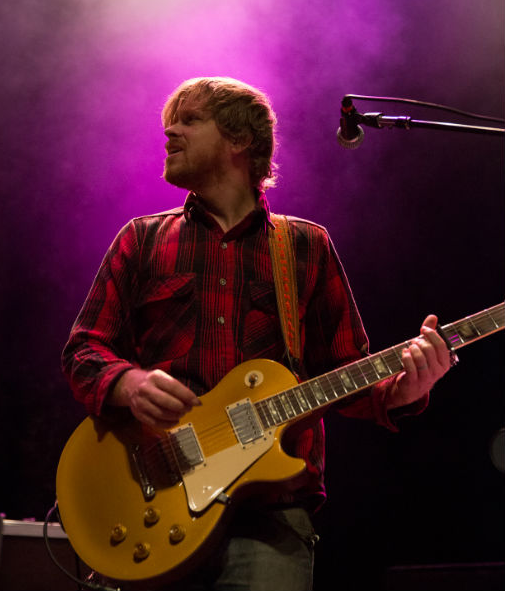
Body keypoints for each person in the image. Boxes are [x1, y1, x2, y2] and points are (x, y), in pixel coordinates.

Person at [61, 77, 453, 591]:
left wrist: (402, 389)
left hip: (270, 518)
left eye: (189, 120)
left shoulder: (306, 245)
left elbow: (343, 371)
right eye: (169, 123)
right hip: (155, 501)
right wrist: (129, 384)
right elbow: (84, 350)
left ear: (240, 139)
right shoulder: (142, 239)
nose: (170, 133)